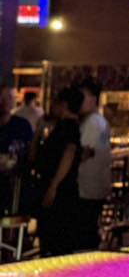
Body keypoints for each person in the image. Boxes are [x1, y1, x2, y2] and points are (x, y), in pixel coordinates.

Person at [34, 86, 82, 256]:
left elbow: (68, 154)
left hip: (60, 191)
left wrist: (54, 185)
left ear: (64, 105)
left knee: (55, 237)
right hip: (62, 188)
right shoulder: (67, 127)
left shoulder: (67, 128)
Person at [75, 77, 112, 250]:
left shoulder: (91, 123)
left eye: (82, 97)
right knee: (89, 229)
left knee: (84, 232)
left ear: (93, 99)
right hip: (96, 185)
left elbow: (85, 152)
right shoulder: (100, 121)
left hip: (86, 186)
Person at [0, 89, 35, 215]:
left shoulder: (22, 125)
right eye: (2, 97)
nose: (6, 101)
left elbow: (31, 153)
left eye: (10, 97)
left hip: (17, 188)